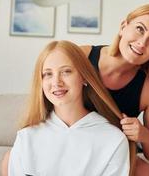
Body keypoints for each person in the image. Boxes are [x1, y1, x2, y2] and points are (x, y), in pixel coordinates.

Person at [3, 3, 149, 176]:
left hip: (106, 151)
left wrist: (143, 134)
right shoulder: (82, 56)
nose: (142, 43)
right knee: (10, 159)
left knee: (143, 170)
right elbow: (49, 90)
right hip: (65, 137)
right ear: (123, 26)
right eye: (140, 29)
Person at [8, 40, 136, 176]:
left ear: (84, 77)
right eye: (48, 74)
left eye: (66, 72)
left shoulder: (113, 140)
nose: (56, 82)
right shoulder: (26, 137)